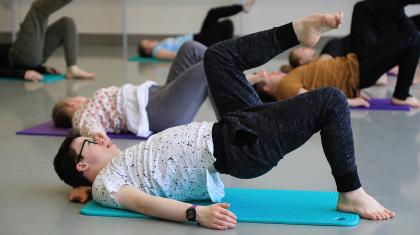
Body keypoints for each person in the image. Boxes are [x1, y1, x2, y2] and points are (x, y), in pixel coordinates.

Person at [54, 12, 395, 230]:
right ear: (83, 165)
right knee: (332, 100)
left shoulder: (116, 167)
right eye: (89, 142)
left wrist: (80, 187)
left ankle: (297, 31)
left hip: (230, 127)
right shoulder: (107, 183)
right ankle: (351, 191)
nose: (98, 139)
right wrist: (195, 214)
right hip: (240, 146)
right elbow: (144, 204)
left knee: (216, 55)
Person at [52, 41, 208, 143]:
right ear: (70, 103)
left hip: (160, 95)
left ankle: (229, 60)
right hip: (160, 110)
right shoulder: (82, 113)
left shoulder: (90, 109)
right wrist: (96, 135)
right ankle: (231, 121)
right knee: (210, 65)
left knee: (190, 49)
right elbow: (87, 125)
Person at [256, 22, 420, 108]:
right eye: (269, 76)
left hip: (353, 62)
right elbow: (316, 100)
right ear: (268, 89)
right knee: (412, 38)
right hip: (357, 72)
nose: (272, 72)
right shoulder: (285, 85)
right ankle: (401, 95)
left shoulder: (289, 77)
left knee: (363, 8)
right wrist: (349, 101)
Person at [0, 0, 94, 82]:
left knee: (66, 24)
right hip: (17, 57)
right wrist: (22, 74)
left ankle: (72, 68)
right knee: (38, 9)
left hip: (26, 56)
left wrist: (42, 69)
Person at [137, 0, 256, 60]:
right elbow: (172, 56)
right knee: (227, 24)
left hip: (197, 37)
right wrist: (196, 56)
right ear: (147, 51)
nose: (150, 41)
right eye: (147, 43)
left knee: (212, 13)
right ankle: (229, 52)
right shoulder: (156, 51)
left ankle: (242, 7)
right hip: (197, 43)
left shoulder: (160, 45)